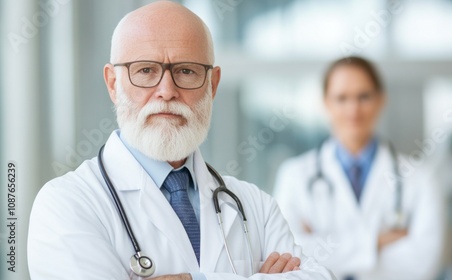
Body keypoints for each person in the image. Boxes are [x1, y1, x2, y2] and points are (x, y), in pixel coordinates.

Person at [27, 2, 334, 280]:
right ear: (112, 83)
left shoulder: (255, 206)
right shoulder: (67, 204)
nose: (166, 90)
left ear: (212, 85)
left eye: (186, 71)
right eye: (145, 70)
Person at [273, 57, 443, 280]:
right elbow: (291, 257)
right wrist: (378, 241)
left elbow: (422, 264)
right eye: (342, 98)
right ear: (326, 102)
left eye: (364, 96)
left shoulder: (420, 178)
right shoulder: (294, 175)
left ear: (381, 100)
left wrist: (322, 248)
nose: (353, 109)